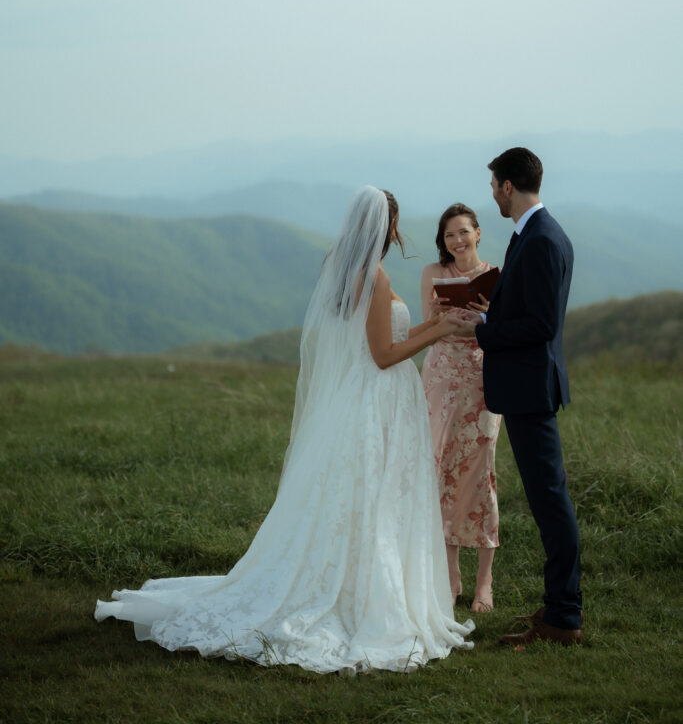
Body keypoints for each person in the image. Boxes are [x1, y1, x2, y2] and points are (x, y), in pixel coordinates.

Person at [94, 186, 475, 673]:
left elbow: (392, 338)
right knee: (376, 502)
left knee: (369, 500)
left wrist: (438, 323)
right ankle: (366, 598)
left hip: (369, 402)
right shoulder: (374, 277)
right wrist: (442, 331)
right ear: (386, 228)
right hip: (377, 403)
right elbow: (383, 357)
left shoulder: (351, 273)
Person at [449, 148, 583, 646]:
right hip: (525, 386)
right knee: (548, 497)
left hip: (529, 388)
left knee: (550, 499)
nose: (492, 194)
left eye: (493, 186)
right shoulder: (534, 234)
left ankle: (563, 616)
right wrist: (489, 314)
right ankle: (558, 609)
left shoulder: (543, 239)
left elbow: (543, 325)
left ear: (507, 186)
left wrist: (484, 331)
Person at [420, 203, 501, 613]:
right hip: (441, 377)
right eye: (449, 234)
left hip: (483, 376)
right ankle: (451, 577)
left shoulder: (495, 275)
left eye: (463, 232)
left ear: (478, 233)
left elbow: (501, 329)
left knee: (481, 472)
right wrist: (443, 316)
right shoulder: (433, 274)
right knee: (442, 469)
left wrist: (484, 317)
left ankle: (484, 582)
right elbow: (428, 327)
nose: (457, 240)